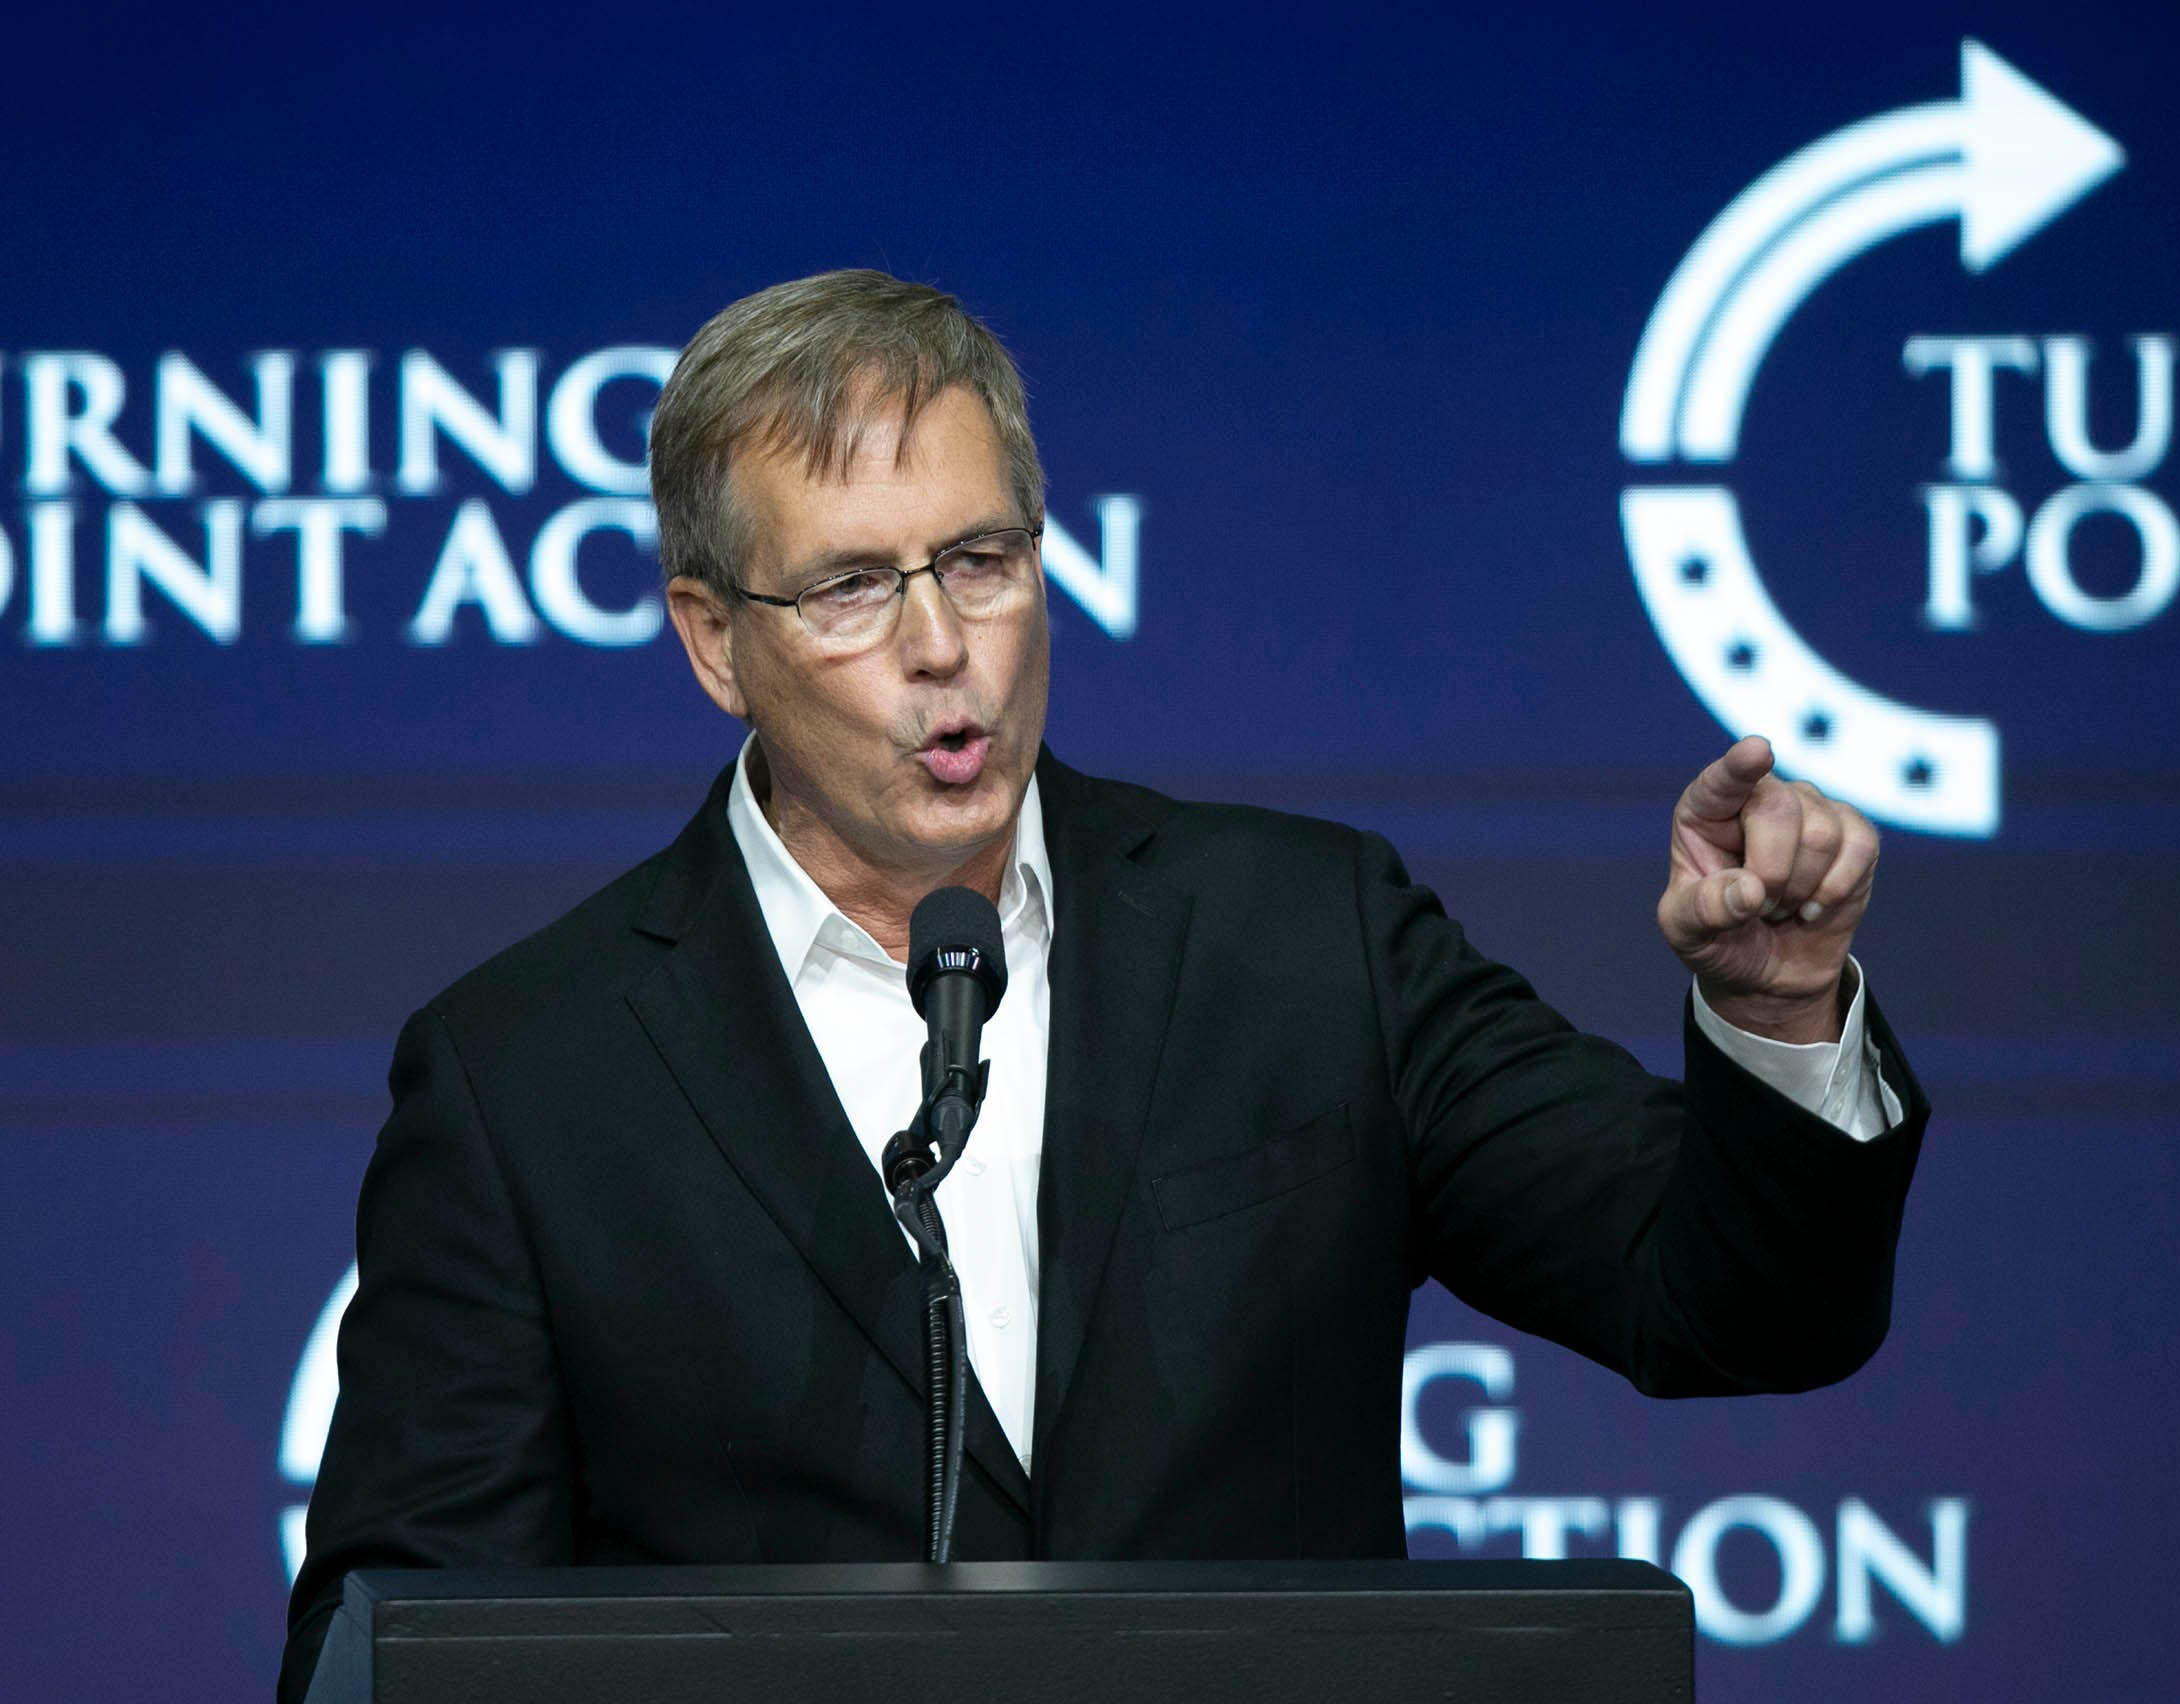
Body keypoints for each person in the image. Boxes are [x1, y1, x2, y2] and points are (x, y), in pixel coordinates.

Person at [280, 270, 1927, 1703]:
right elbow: (402, 1636)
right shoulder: (530, 1077)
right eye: (855, 588)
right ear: (715, 641)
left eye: (982, 559)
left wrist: (1779, 1015)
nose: (944, 645)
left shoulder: (1308, 938)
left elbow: (1727, 1303)